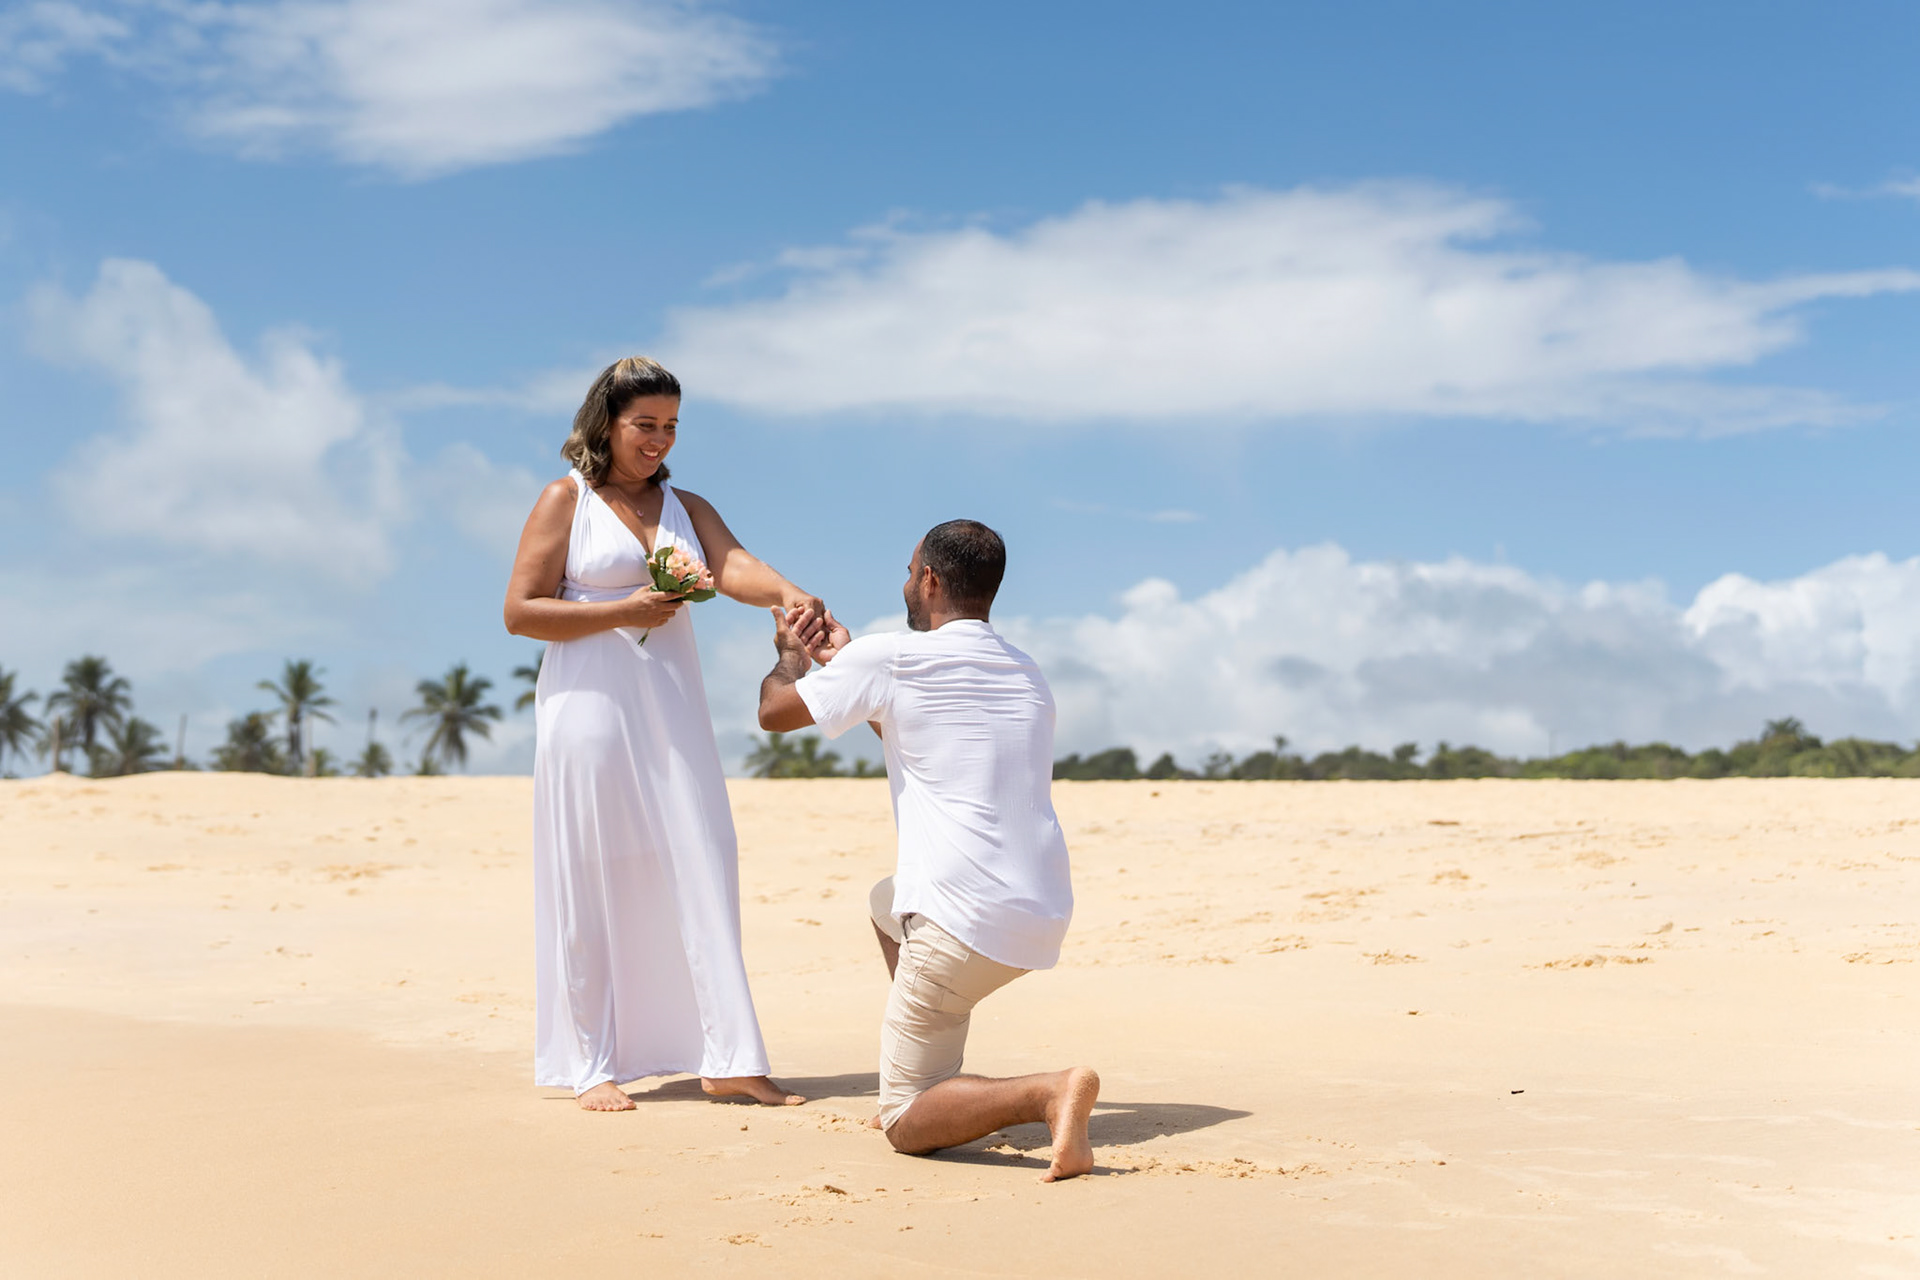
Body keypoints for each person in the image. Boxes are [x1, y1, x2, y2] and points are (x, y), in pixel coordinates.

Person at [504, 356, 821, 1112]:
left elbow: (731, 564)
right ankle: (591, 1063)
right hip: (589, 709)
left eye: (670, 426)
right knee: (594, 869)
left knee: (703, 853)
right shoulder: (565, 500)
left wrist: (788, 591)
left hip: (670, 706)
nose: (658, 439)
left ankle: (729, 1058)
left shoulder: (687, 504)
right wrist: (622, 611)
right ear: (606, 423)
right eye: (644, 424)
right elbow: (520, 610)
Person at [756, 519, 1100, 1181]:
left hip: (959, 924)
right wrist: (847, 666)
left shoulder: (890, 658)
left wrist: (792, 657)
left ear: (931, 580)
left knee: (905, 1122)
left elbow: (774, 713)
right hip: (1039, 914)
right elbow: (917, 725)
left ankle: (1045, 1091)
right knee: (887, 903)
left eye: (910, 572)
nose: (906, 583)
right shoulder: (1026, 670)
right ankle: (934, 1060)